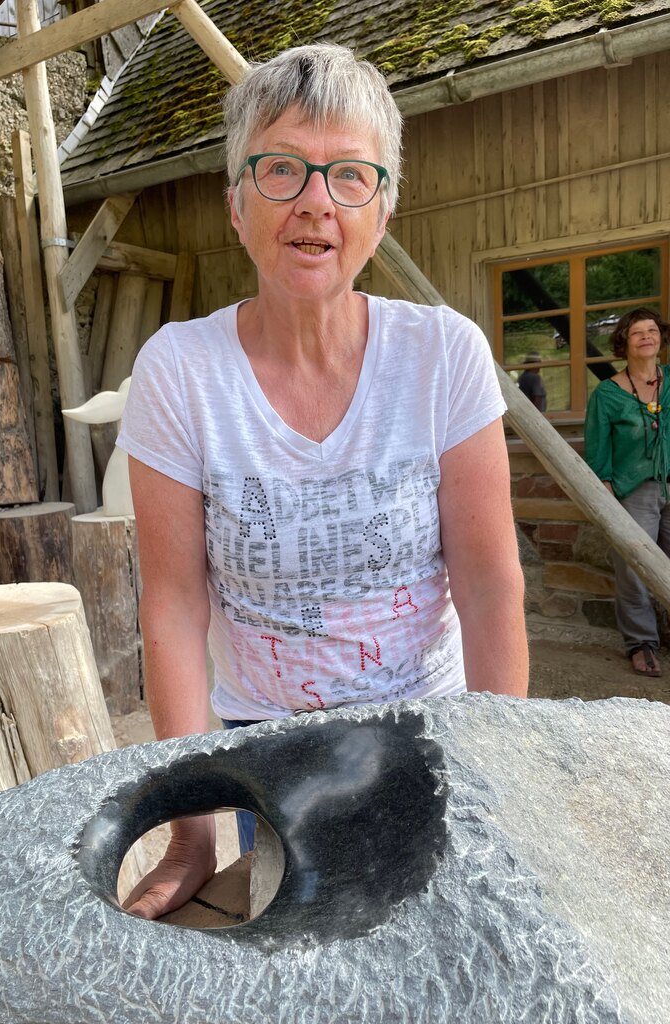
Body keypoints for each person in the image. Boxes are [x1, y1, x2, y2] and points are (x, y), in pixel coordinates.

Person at [116, 43, 528, 921]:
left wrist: (507, 793)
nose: (315, 201)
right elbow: (175, 606)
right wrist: (192, 831)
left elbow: (490, 587)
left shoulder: (444, 355)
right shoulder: (180, 372)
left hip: (433, 735)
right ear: (236, 204)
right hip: (268, 753)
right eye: (281, 169)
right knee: (288, 934)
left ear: (384, 207)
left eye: (349, 174)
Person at [585, 307, 670, 678]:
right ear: (624, 342)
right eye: (637, 332)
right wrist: (607, 498)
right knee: (634, 569)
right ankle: (642, 643)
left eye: (652, 330)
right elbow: (598, 452)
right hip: (634, 492)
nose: (647, 337)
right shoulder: (607, 394)